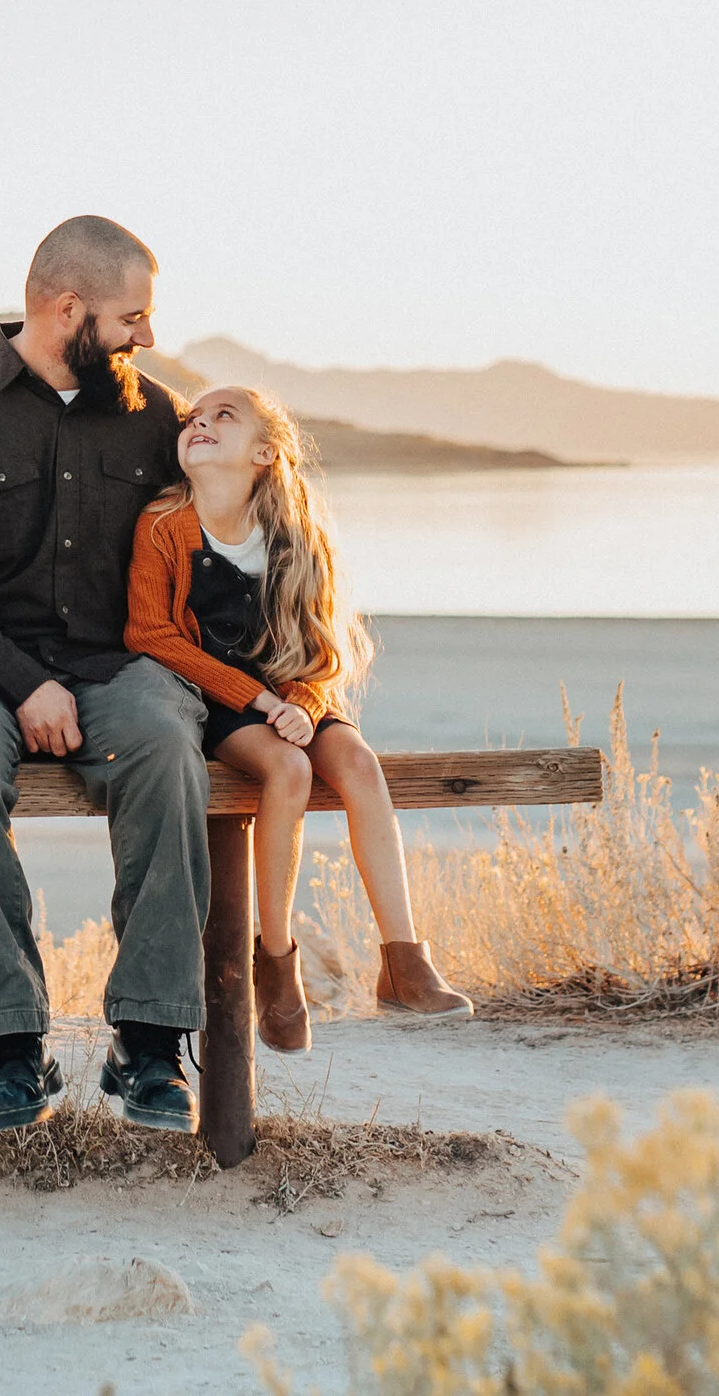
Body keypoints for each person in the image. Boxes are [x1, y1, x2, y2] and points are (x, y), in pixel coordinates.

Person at [0, 214, 212, 1135]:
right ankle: (15, 1045)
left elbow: (222, 545)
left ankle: (147, 1041)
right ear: (70, 310)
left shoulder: (159, 421)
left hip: (113, 665)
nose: (147, 336)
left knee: (169, 749)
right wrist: (25, 683)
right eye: (132, 316)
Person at [125, 386, 474, 1051]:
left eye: (222, 416)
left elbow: (322, 650)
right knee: (286, 769)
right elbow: (151, 634)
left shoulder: (297, 532)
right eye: (194, 418)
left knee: (359, 766)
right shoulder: (163, 525)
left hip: (295, 694)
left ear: (264, 450)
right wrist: (261, 704)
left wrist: (304, 707)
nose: (201, 423)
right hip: (218, 701)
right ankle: (277, 963)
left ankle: (404, 962)